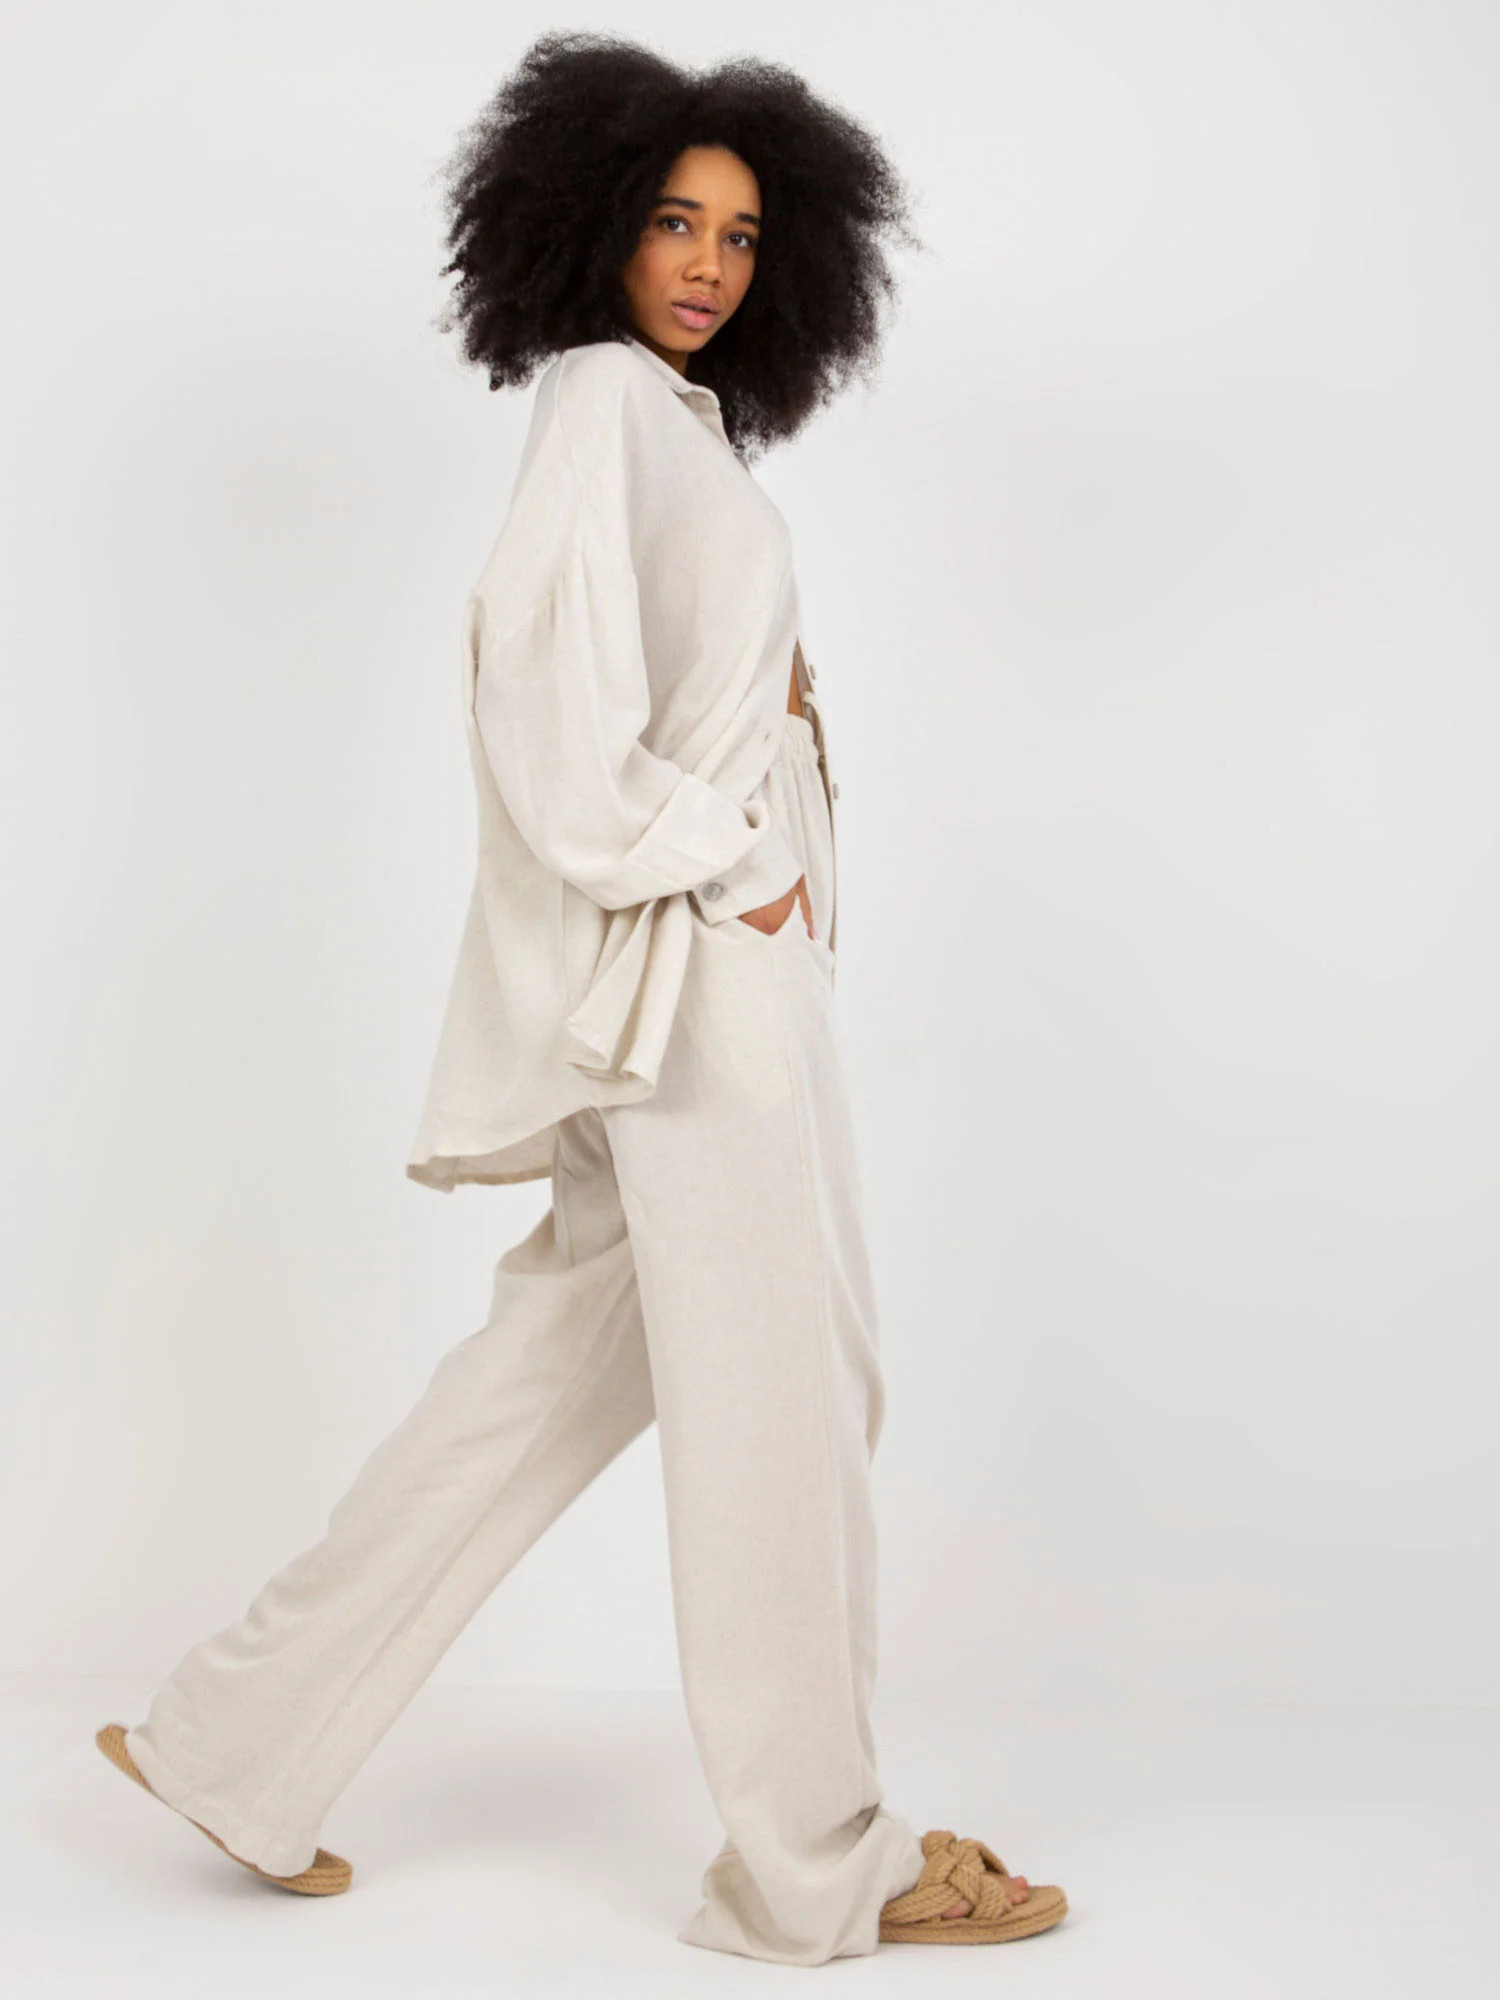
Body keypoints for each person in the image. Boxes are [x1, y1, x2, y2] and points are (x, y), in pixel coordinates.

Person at [95, 31, 1069, 1966]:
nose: (708, 262)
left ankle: (234, 1741)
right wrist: (733, 856)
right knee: (790, 1407)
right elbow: (544, 708)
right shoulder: (605, 401)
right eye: (673, 221)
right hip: (704, 975)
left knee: (542, 1387)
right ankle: (818, 1863)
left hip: (695, 970)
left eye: (742, 234)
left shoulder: (679, 427)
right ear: (593, 224)